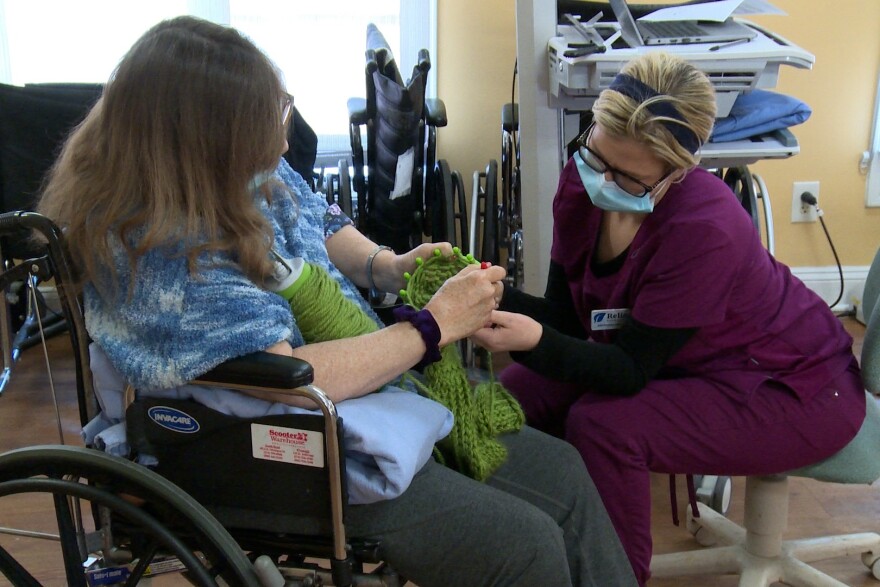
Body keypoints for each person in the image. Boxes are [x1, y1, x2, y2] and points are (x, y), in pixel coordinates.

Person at [36, 16, 638, 587]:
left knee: (563, 472)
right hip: (279, 448)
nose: (283, 125)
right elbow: (293, 377)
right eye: (272, 112)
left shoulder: (243, 170)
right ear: (207, 134)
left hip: (357, 404)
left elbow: (321, 224)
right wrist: (432, 327)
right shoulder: (164, 254)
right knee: (524, 546)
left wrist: (391, 266)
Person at [473, 51, 866, 586]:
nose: (602, 181)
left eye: (629, 179)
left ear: (677, 173)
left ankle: (614, 577)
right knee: (507, 398)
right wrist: (480, 291)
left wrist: (533, 339)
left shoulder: (705, 228)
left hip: (794, 385)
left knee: (605, 427)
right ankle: (520, 551)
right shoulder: (581, 183)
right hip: (681, 360)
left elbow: (629, 369)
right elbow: (566, 319)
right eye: (596, 158)